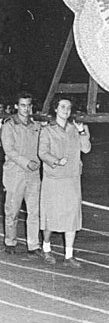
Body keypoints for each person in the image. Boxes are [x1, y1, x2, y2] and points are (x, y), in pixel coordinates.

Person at [39, 97, 91, 266]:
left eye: (69, 107)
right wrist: (56, 160)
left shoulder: (76, 128)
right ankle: (46, 249)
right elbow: (42, 153)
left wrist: (82, 131)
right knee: (50, 217)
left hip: (72, 179)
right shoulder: (47, 130)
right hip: (53, 179)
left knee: (72, 217)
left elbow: (86, 148)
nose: (66, 110)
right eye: (62, 106)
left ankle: (69, 255)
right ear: (55, 109)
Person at [1, 92, 43, 257]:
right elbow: (9, 150)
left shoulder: (36, 126)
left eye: (29, 105)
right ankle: (10, 241)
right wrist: (26, 162)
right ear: (17, 106)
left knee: (34, 211)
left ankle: (33, 245)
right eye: (23, 105)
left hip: (33, 175)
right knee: (12, 210)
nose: (26, 109)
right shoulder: (9, 126)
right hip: (15, 174)